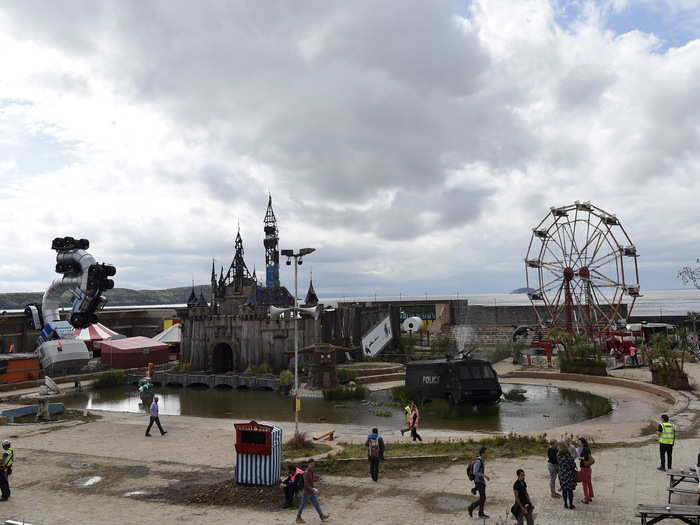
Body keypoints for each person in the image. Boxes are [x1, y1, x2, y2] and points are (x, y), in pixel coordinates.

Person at [296, 459, 330, 523]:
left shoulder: (311, 471)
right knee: (302, 505)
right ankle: (298, 517)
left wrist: (313, 489)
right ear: (308, 464)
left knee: (316, 504)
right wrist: (313, 489)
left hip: (311, 491)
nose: (313, 466)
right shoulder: (306, 473)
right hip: (306, 491)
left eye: (313, 464)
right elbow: (306, 484)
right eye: (311, 464)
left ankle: (321, 516)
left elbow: (311, 481)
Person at [467, 447, 489, 519]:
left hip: (481, 481)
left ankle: (480, 513)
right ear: (482, 453)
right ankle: (472, 508)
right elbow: (475, 472)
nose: (487, 454)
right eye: (486, 453)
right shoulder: (478, 461)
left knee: (483, 498)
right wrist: (484, 475)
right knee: (483, 498)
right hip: (478, 481)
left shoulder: (482, 461)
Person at [557, 442, 578, 510]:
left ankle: (565, 504)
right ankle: (571, 505)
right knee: (570, 491)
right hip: (569, 475)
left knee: (564, 490)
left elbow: (559, 464)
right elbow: (573, 465)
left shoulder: (558, 455)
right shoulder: (569, 456)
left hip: (562, 474)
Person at [578, 437, 594, 504]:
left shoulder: (584, 449)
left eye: (579, 441)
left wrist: (580, 458)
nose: (578, 443)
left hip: (584, 468)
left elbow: (585, 458)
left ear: (582, 442)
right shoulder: (588, 448)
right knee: (589, 482)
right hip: (589, 468)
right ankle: (590, 496)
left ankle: (586, 498)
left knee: (584, 483)